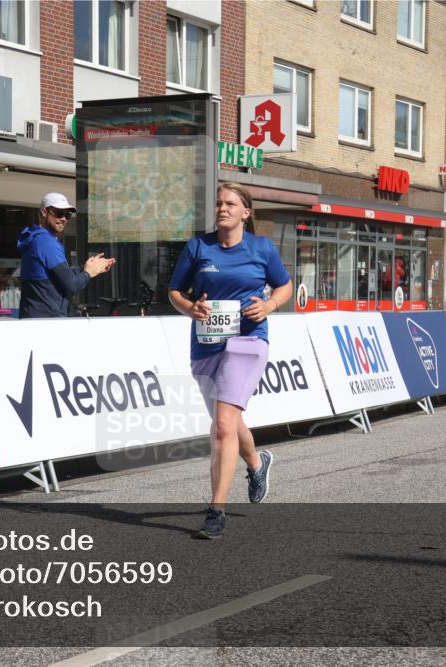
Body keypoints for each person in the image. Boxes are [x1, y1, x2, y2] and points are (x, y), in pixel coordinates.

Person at [168, 182, 293, 539]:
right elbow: (174, 292)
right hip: (206, 345)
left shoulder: (261, 248)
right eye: (219, 203)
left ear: (245, 212)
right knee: (230, 422)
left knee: (223, 425)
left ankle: (216, 509)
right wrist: (191, 307)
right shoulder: (198, 247)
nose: (222, 208)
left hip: (249, 340)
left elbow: (283, 285)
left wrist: (269, 305)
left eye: (230, 204)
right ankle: (256, 463)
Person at [17, 193, 115, 318]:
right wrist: (88, 273)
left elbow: (55, 277)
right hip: (47, 321)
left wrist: (86, 267)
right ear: (44, 212)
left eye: (67, 215)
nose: (64, 219)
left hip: (34, 318)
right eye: (59, 213)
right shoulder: (46, 242)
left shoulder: (35, 239)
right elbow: (72, 285)